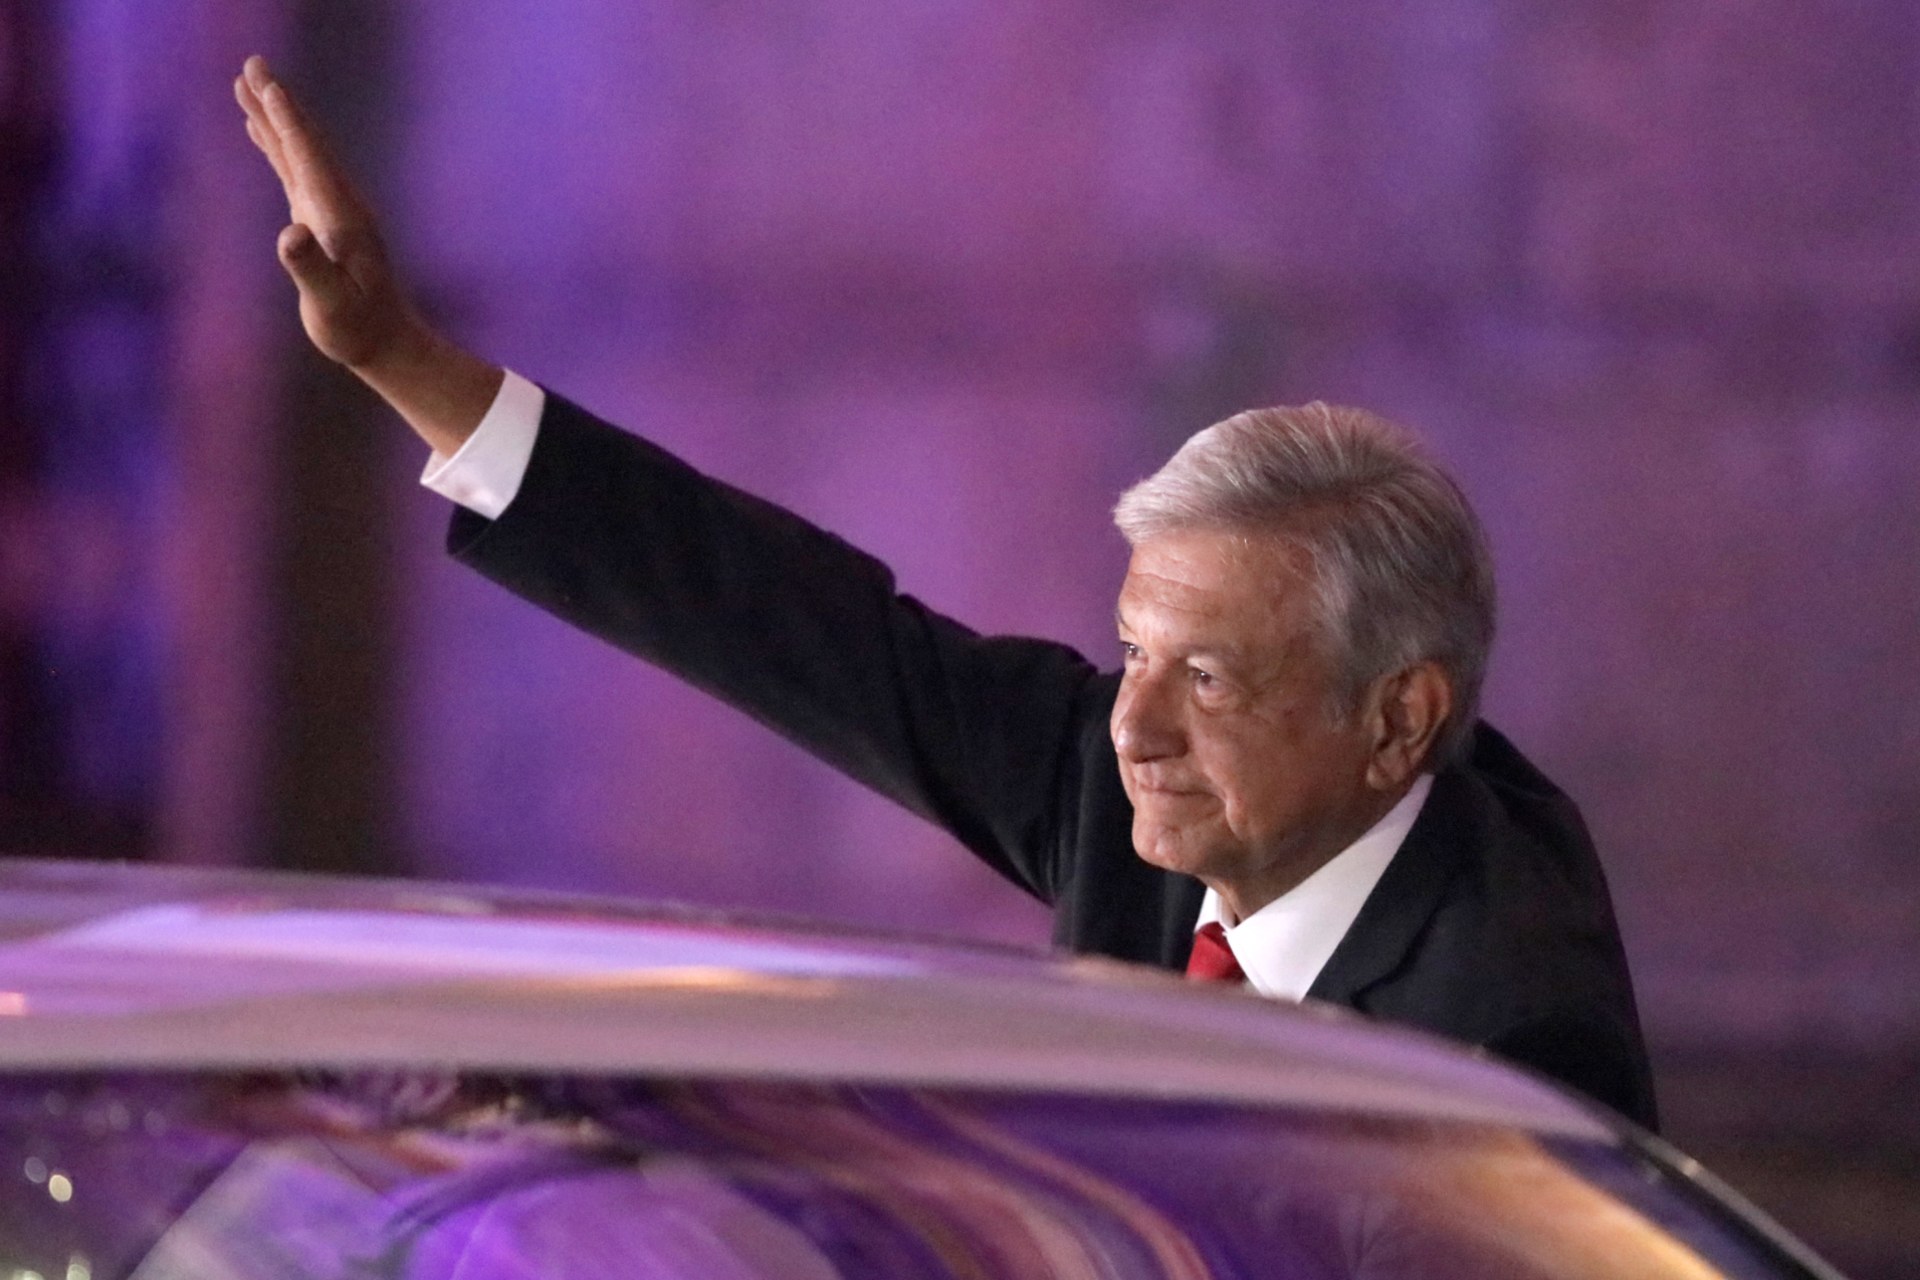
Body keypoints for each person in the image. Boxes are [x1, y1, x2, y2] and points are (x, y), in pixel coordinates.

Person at [234, 57, 1657, 1129]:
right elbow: (778, 620)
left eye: (1209, 677)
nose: (1131, 725)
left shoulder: (1509, 1040)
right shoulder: (1136, 777)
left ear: (1398, 720)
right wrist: (399, 358)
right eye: (1132, 654)